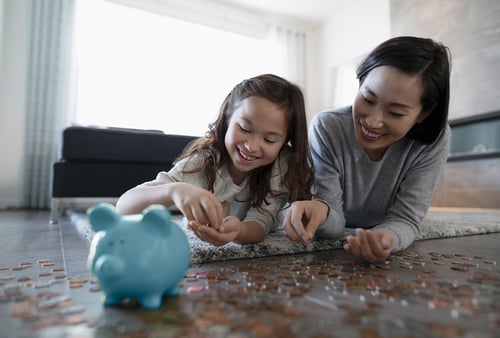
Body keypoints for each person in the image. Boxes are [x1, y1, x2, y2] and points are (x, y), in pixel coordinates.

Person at [283, 36, 451, 263]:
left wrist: (386, 238)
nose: (372, 122)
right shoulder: (328, 126)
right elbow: (333, 217)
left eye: (395, 113)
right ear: (360, 83)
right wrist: (319, 213)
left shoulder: (434, 140)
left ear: (424, 113)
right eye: (368, 99)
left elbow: (406, 219)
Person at [116, 74, 314, 246]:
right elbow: (124, 207)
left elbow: (261, 222)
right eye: (244, 128)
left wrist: (239, 231)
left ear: (285, 141)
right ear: (228, 118)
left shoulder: (281, 165)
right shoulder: (204, 163)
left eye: (269, 140)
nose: (252, 146)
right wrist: (173, 190)